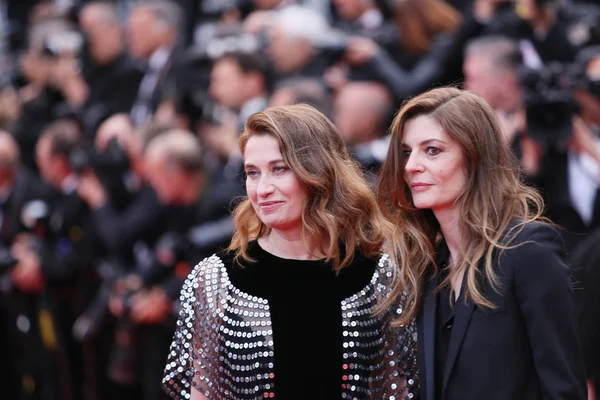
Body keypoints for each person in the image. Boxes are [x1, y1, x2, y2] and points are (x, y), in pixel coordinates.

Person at [162, 104, 419, 399]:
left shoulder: (379, 275)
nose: (262, 188)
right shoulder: (217, 279)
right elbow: (203, 393)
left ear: (318, 171)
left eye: (279, 169)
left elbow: (396, 389)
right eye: (252, 173)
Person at [377, 87, 586, 400]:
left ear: (474, 156)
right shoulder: (427, 265)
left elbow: (563, 388)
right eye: (407, 152)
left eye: (432, 150)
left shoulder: (528, 251)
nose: (410, 166)